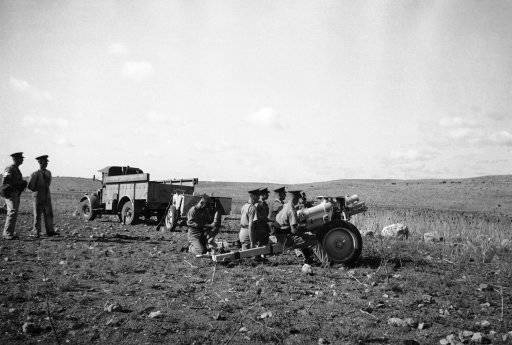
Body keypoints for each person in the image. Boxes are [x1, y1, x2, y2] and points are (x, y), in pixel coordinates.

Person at [275, 190, 317, 264]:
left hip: (280, 235)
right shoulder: (291, 210)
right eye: (298, 199)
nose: (298, 201)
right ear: (295, 198)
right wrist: (305, 228)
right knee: (314, 239)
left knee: (303, 236)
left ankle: (308, 259)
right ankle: (326, 262)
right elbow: (294, 230)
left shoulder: (286, 205)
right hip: (285, 239)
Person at [28, 155, 58, 237]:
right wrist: (37, 190)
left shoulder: (48, 173)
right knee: (37, 215)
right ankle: (36, 232)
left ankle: (50, 231)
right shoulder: (35, 174)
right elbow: (30, 186)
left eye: (46, 162)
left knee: (49, 213)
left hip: (47, 196)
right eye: (44, 162)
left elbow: (48, 184)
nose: (46, 164)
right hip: (38, 196)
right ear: (40, 163)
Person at [2, 152, 27, 240]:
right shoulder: (10, 168)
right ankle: (7, 233)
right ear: (15, 159)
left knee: (14, 212)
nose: (22, 160)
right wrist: (6, 192)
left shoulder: (16, 169)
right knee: (12, 211)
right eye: (21, 158)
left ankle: (9, 232)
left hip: (16, 193)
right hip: (11, 193)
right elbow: (5, 181)